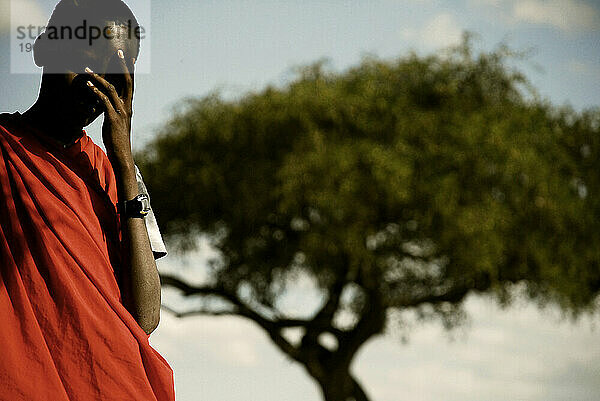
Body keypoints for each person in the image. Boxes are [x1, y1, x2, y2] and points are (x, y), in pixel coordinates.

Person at [0, 0, 175, 399]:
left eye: (116, 74)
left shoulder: (119, 174)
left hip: (112, 383)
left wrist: (124, 160)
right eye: (88, 56)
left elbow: (145, 317)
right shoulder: (4, 148)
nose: (97, 83)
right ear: (44, 48)